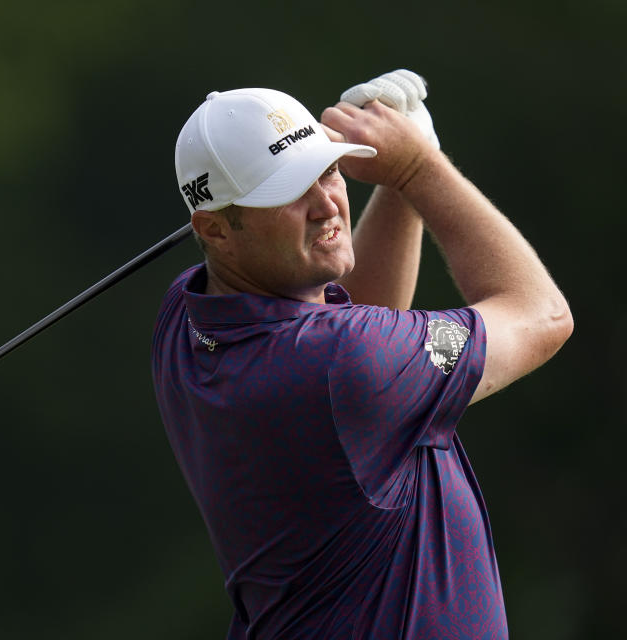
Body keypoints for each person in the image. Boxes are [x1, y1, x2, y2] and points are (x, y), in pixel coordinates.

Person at [151, 70, 573, 639]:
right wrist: (419, 170)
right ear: (216, 230)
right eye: (289, 193)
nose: (326, 203)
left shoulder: (186, 319)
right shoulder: (343, 363)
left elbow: (356, 347)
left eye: (327, 170)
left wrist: (400, 195)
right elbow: (539, 314)